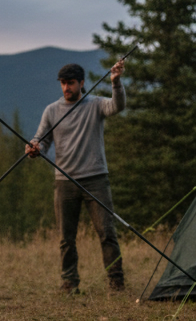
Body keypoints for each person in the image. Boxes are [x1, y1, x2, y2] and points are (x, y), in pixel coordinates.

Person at [25, 59, 126, 293]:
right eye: (63, 83)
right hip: (64, 183)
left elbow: (117, 106)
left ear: (82, 83)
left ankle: (116, 281)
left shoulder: (96, 105)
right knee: (66, 238)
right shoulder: (51, 111)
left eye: (70, 83)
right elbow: (41, 140)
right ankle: (69, 282)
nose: (66, 88)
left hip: (96, 179)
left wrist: (116, 81)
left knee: (107, 233)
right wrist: (33, 149)